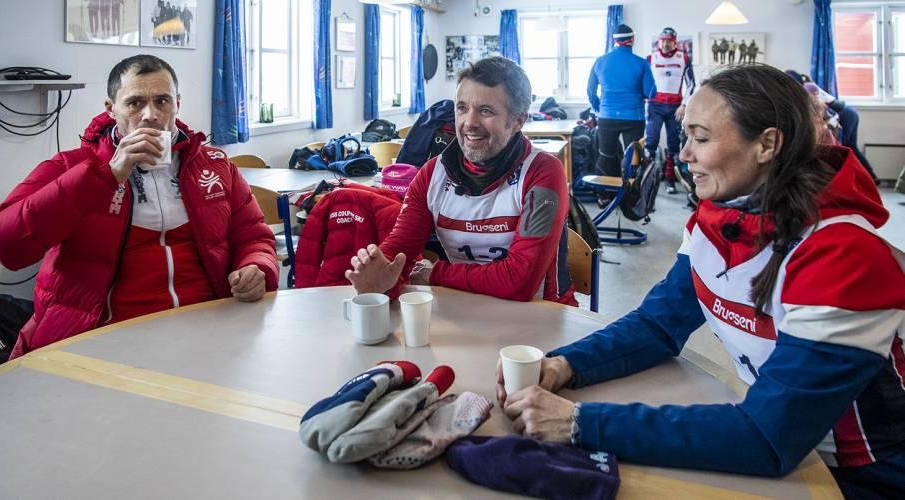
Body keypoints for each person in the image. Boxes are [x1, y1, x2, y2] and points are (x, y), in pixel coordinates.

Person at [497, 64, 905, 498]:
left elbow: (768, 436)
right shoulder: (718, 219)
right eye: (685, 135)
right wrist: (565, 364)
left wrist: (579, 422)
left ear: (767, 144)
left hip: (865, 474)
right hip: (785, 451)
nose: (684, 154)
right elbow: (657, 325)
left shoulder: (843, 255)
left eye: (701, 137)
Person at [0, 54, 278, 358]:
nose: (151, 115)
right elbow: (4, 244)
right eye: (135, 103)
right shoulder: (73, 166)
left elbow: (253, 236)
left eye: (162, 101)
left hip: (207, 328)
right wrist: (105, 176)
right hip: (105, 339)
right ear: (111, 109)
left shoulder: (214, 165)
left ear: (177, 104)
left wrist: (255, 266)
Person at [345, 56, 575, 305]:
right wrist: (380, 275)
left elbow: (520, 281)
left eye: (485, 111)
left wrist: (434, 273)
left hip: (541, 316)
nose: (469, 123)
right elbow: (398, 252)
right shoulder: (432, 174)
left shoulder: (543, 172)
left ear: (518, 120)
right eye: (462, 108)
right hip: (465, 309)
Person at [586, 24, 656, 182]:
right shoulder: (641, 63)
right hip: (634, 117)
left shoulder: (600, 61)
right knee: (634, 157)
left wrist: (599, 106)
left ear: (614, 41)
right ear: (632, 40)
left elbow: (591, 90)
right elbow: (650, 92)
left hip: (607, 116)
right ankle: (631, 192)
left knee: (606, 155)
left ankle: (604, 195)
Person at [785, 70, 880, 183]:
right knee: (851, 148)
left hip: (845, 115)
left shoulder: (807, 89)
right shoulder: (807, 86)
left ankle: (858, 179)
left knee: (840, 150)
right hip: (847, 114)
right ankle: (871, 177)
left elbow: (823, 111)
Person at [645, 27, 695, 194]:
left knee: (674, 144)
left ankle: (670, 180)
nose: (665, 44)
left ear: (675, 42)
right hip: (655, 105)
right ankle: (648, 180)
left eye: (669, 40)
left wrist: (684, 105)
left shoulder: (683, 58)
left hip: (675, 107)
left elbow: (691, 85)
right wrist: (645, 104)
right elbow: (643, 83)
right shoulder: (651, 58)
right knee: (651, 142)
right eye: (663, 40)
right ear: (659, 41)